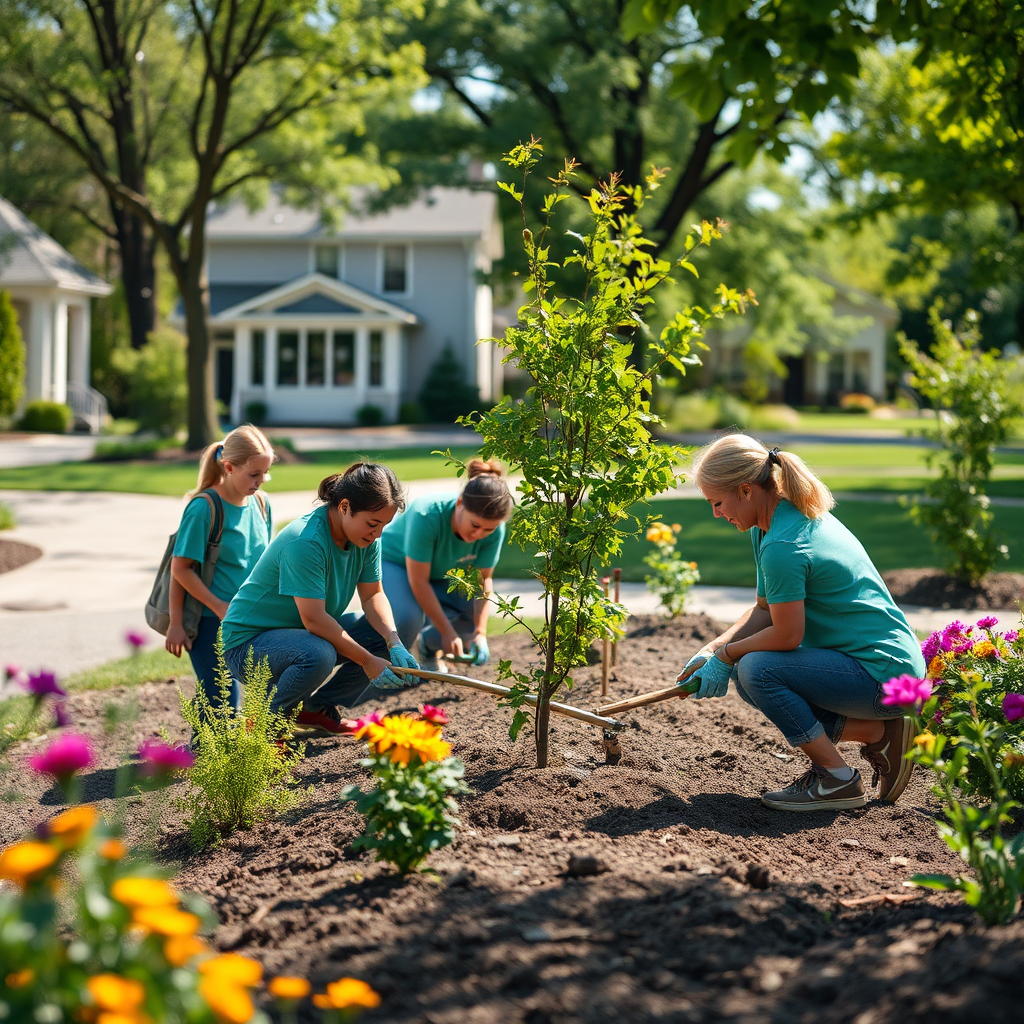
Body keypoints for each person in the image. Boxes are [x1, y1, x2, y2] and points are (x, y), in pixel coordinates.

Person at [677, 434, 926, 812]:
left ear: (745, 490)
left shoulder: (783, 546)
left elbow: (786, 635)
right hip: (886, 666)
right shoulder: (774, 522)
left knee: (757, 670)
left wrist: (727, 655)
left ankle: (836, 779)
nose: (715, 513)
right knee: (751, 674)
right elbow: (764, 610)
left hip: (884, 677)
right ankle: (880, 732)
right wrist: (712, 649)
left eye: (716, 502)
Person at [220, 462, 420, 733]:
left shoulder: (367, 538)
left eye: (384, 525)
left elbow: (373, 594)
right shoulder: (305, 542)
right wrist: (367, 661)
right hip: (247, 645)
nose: (378, 534)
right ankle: (263, 727)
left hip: (302, 637)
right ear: (345, 506)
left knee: (377, 636)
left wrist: (393, 640)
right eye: (373, 524)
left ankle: (314, 710)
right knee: (319, 654)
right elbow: (314, 620)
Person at [166, 424, 275, 714]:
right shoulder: (204, 508)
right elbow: (181, 569)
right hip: (209, 621)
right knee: (221, 702)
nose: (262, 480)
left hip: (249, 620)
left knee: (251, 698)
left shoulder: (262, 505)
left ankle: (207, 754)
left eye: (265, 472)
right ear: (228, 467)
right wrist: (177, 623)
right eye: (254, 474)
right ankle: (196, 756)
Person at [381, 459, 513, 671]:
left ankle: (427, 648)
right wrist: (447, 631)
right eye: (475, 525)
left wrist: (480, 632)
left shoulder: (495, 530)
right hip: (395, 563)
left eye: (487, 530)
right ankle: (389, 669)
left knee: (472, 617)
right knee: (408, 618)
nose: (478, 535)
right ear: (460, 503)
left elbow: (483, 581)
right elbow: (419, 581)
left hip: (437, 573)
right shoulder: (427, 515)